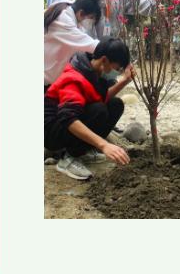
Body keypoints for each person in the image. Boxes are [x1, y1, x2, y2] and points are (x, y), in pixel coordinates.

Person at [44, 37, 132, 180]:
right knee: (99, 110)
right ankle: (67, 157)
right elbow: (68, 118)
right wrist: (103, 145)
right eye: (116, 69)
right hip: (52, 129)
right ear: (104, 60)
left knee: (115, 104)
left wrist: (125, 81)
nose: (117, 73)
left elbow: (101, 97)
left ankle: (81, 150)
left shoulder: (94, 72)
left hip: (68, 121)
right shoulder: (74, 77)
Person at [44, 0, 101, 91]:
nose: (90, 23)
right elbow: (93, 45)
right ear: (81, 13)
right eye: (91, 18)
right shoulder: (65, 21)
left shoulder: (66, 9)